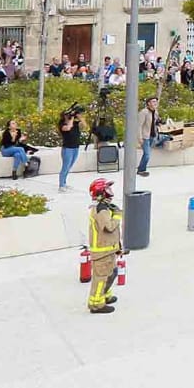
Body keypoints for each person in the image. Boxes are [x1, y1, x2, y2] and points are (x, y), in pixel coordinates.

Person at [86, 179, 121, 315]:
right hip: (102, 252)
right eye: (107, 190)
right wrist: (117, 216)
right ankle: (96, 305)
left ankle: (104, 295)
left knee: (111, 273)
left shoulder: (104, 208)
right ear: (101, 193)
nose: (110, 193)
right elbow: (109, 227)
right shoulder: (101, 210)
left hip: (109, 249)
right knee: (100, 278)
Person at [55, 107, 83, 192]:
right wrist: (71, 119)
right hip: (67, 148)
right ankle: (61, 185)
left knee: (69, 167)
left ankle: (64, 182)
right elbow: (68, 128)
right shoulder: (62, 124)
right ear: (64, 116)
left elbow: (84, 125)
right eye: (67, 115)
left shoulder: (75, 123)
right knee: (65, 166)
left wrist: (79, 117)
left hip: (75, 147)